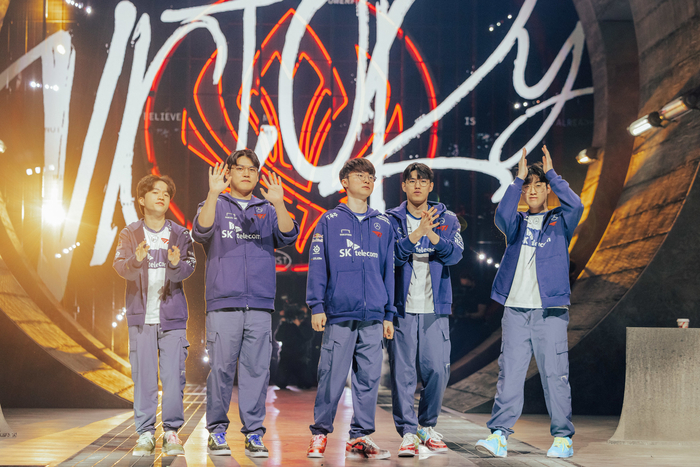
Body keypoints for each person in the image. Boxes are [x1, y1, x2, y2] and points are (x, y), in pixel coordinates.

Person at [476, 146, 583, 459]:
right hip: (516, 310)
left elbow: (576, 204)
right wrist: (517, 178)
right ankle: (498, 435)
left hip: (550, 311)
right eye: (528, 186)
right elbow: (501, 215)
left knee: (555, 374)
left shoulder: (560, 220)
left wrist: (553, 175)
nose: (533, 190)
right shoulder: (517, 223)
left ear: (547, 189)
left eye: (539, 185)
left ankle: (562, 438)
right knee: (509, 374)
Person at [192, 149, 299, 458]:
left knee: (256, 373)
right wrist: (213, 193)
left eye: (252, 169)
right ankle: (217, 431)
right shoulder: (215, 203)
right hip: (223, 302)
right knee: (221, 371)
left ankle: (254, 434)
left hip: (260, 305)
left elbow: (289, 235)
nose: (247, 173)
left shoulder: (268, 208)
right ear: (229, 172)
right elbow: (200, 231)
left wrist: (279, 203)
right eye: (240, 168)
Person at [305, 158, 396, 459]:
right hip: (339, 313)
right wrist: (317, 305)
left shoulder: (383, 224)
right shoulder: (329, 221)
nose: (367, 180)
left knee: (369, 379)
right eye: (360, 175)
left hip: (374, 316)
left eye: (371, 176)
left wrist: (389, 313)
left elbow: (389, 271)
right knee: (331, 375)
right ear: (344, 182)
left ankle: (360, 436)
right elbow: (318, 265)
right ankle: (320, 433)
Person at [113, 175, 196, 457]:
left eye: (166, 194)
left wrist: (175, 264)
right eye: (155, 192)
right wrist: (136, 259)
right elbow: (120, 267)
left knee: (173, 379)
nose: (162, 196)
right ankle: (146, 434)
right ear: (141, 199)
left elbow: (189, 267)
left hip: (172, 318)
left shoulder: (181, 234)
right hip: (141, 318)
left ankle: (171, 433)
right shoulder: (130, 233)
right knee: (144, 379)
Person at [385, 163, 464, 457]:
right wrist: (416, 233)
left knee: (438, 370)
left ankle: (426, 426)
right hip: (402, 309)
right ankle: (408, 432)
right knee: (402, 374)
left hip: (435, 308)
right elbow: (391, 257)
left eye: (423, 180)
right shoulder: (389, 220)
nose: (417, 185)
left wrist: (431, 235)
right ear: (403, 186)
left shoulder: (448, 219)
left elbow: (455, 255)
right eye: (412, 180)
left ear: (431, 186)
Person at [275, 305, 313, 389]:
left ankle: (300, 381)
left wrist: (299, 325)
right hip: (286, 356)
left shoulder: (304, 323)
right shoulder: (286, 324)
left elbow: (308, 336)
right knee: (280, 383)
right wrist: (283, 323)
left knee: (307, 384)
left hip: (301, 357)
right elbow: (277, 337)